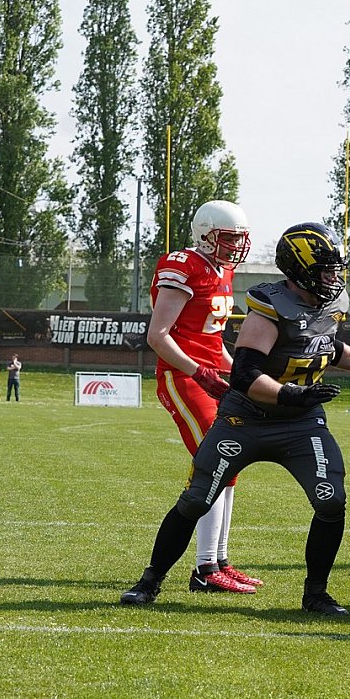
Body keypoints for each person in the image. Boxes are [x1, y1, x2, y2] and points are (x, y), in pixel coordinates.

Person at [122, 222, 350, 614]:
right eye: (325, 269)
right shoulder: (268, 302)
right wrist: (293, 393)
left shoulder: (330, 303)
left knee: (332, 501)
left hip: (301, 422)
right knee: (196, 498)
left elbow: (330, 345)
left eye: (335, 270)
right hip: (246, 418)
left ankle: (315, 593)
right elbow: (245, 375)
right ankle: (151, 581)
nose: (334, 277)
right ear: (300, 269)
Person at [143, 200, 260, 593]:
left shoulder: (222, 270)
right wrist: (199, 372)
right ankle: (205, 569)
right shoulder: (184, 265)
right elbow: (157, 336)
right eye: (229, 238)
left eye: (239, 239)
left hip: (210, 376)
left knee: (229, 464)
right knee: (214, 464)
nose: (236, 246)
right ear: (206, 234)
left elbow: (212, 340)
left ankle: (220, 560)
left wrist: (240, 373)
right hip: (183, 377)